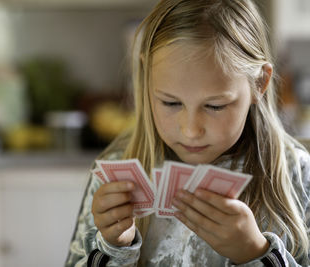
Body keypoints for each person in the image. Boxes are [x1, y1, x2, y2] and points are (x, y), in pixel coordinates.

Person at [65, 0, 310, 266]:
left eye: (215, 105)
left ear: (260, 83)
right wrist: (113, 248)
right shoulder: (115, 173)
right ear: (146, 76)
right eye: (171, 103)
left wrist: (256, 253)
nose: (191, 131)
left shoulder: (298, 174)